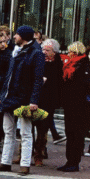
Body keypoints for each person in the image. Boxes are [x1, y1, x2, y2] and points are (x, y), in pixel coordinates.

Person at [0, 25, 45, 176]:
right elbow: (8, 77)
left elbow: (37, 79)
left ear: (23, 36)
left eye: (16, 34)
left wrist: (33, 100)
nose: (14, 37)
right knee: (8, 131)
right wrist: (2, 96)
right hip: (11, 97)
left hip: (24, 98)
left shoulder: (36, 54)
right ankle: (5, 162)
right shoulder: (16, 52)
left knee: (25, 132)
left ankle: (24, 164)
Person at [57, 41, 90, 172]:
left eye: (71, 51)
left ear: (76, 52)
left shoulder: (82, 66)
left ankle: (74, 162)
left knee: (76, 133)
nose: (68, 54)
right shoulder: (71, 65)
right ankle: (70, 160)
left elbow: (81, 87)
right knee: (70, 132)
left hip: (79, 106)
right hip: (70, 104)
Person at [33, 38, 63, 166]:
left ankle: (39, 154)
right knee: (28, 127)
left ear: (54, 52)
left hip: (49, 100)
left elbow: (59, 84)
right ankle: (23, 153)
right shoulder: (38, 61)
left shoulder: (59, 64)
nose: (44, 52)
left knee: (42, 129)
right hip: (35, 98)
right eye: (43, 49)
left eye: (48, 50)